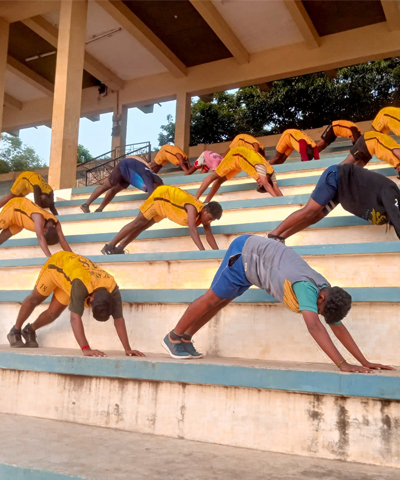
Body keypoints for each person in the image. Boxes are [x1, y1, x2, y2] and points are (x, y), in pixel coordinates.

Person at [162, 235, 395, 374]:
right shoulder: (307, 288)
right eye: (319, 310)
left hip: (254, 266)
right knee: (212, 298)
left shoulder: (326, 290)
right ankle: (174, 336)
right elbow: (314, 326)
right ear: (321, 299)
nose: (316, 312)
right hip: (244, 255)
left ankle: (186, 338)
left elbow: (336, 325)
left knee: (221, 302)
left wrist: (364, 362)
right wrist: (342, 364)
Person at [7, 251, 145, 358]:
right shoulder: (81, 285)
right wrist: (86, 349)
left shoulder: (112, 288)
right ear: (90, 298)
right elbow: (74, 318)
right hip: (56, 266)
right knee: (35, 299)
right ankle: (15, 330)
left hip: (71, 277)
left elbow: (119, 319)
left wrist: (127, 349)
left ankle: (29, 330)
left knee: (53, 313)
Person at [268, 163, 400, 243]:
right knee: (311, 210)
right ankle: (274, 234)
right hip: (337, 177)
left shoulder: (391, 209)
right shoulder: (391, 192)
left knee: (314, 218)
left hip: (341, 194)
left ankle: (281, 238)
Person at [101, 185, 223, 254]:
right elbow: (192, 230)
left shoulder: (204, 215)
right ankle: (110, 246)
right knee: (138, 223)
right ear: (205, 211)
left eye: (211, 221)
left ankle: (120, 248)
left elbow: (209, 235)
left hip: (165, 209)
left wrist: (218, 254)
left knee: (142, 227)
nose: (209, 222)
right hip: (161, 197)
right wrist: (202, 252)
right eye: (210, 219)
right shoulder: (193, 208)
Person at [194, 146, 283, 203]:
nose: (257, 183)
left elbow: (276, 188)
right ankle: (196, 198)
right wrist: (277, 201)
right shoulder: (261, 167)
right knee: (213, 176)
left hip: (240, 163)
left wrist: (283, 200)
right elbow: (266, 184)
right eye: (260, 184)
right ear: (266, 180)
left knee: (220, 181)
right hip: (236, 155)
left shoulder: (271, 173)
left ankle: (206, 202)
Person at [80, 157, 164, 213]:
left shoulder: (158, 181)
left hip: (131, 175)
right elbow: (151, 196)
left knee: (115, 190)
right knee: (107, 185)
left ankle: (99, 209)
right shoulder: (149, 179)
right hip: (125, 166)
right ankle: (86, 205)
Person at [0, 197, 71, 257]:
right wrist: (49, 257)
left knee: (2, 238)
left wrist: (73, 257)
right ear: (45, 231)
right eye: (43, 233)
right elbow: (40, 237)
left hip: (21, 221)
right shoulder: (39, 218)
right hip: (15, 207)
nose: (41, 232)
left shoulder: (56, 223)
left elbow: (62, 241)